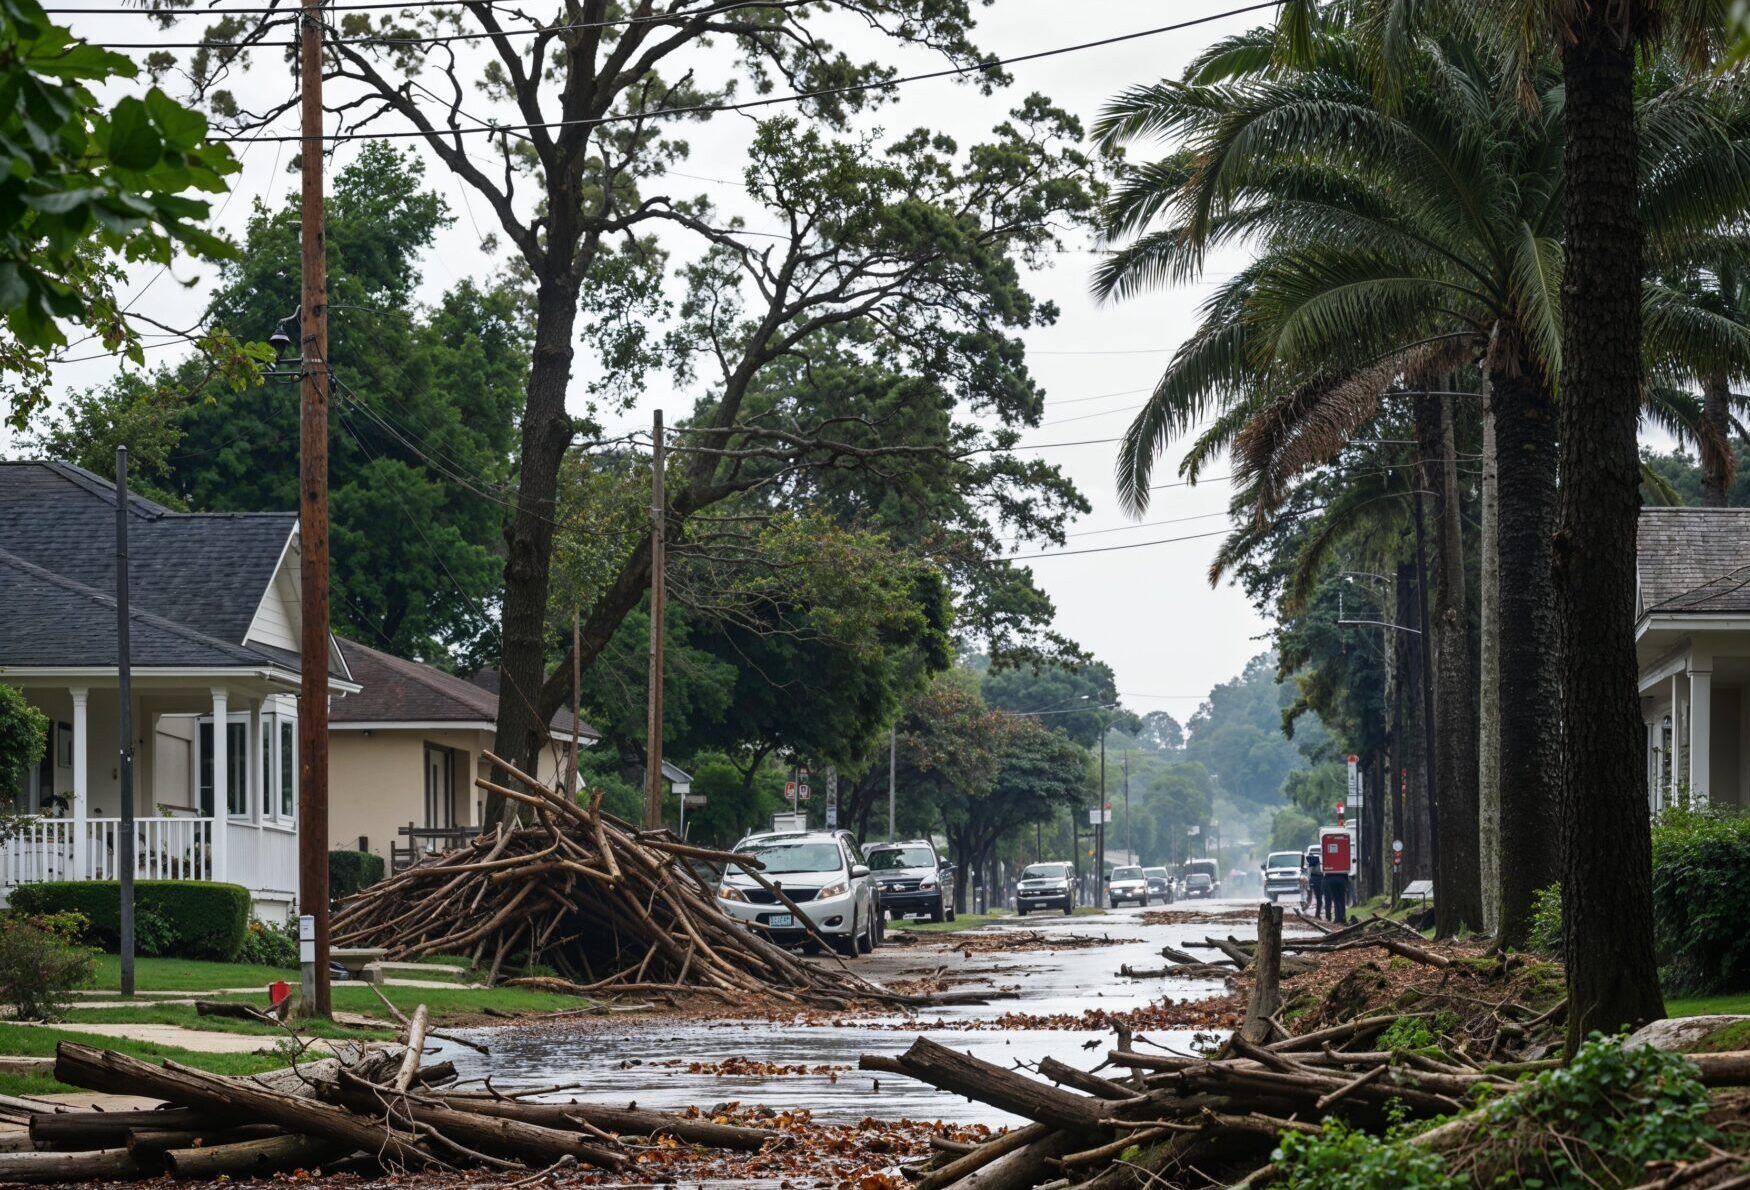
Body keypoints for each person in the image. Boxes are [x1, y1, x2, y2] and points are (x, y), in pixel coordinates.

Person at [1304, 849, 1323, 917]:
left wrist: (1309, 884)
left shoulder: (1312, 861)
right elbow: (1309, 873)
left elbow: (1309, 873)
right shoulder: (1316, 861)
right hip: (1317, 879)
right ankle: (1317, 914)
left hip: (1313, 880)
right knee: (1318, 899)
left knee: (1313, 898)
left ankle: (1306, 909)